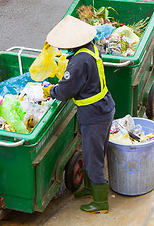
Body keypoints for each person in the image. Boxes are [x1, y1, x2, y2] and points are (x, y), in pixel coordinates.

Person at [43, 15, 115, 214]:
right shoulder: (89, 49)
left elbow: (65, 92)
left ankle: (101, 202)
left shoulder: (79, 61)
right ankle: (90, 188)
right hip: (103, 106)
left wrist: (49, 90)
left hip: (94, 114)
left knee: (93, 158)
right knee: (95, 151)